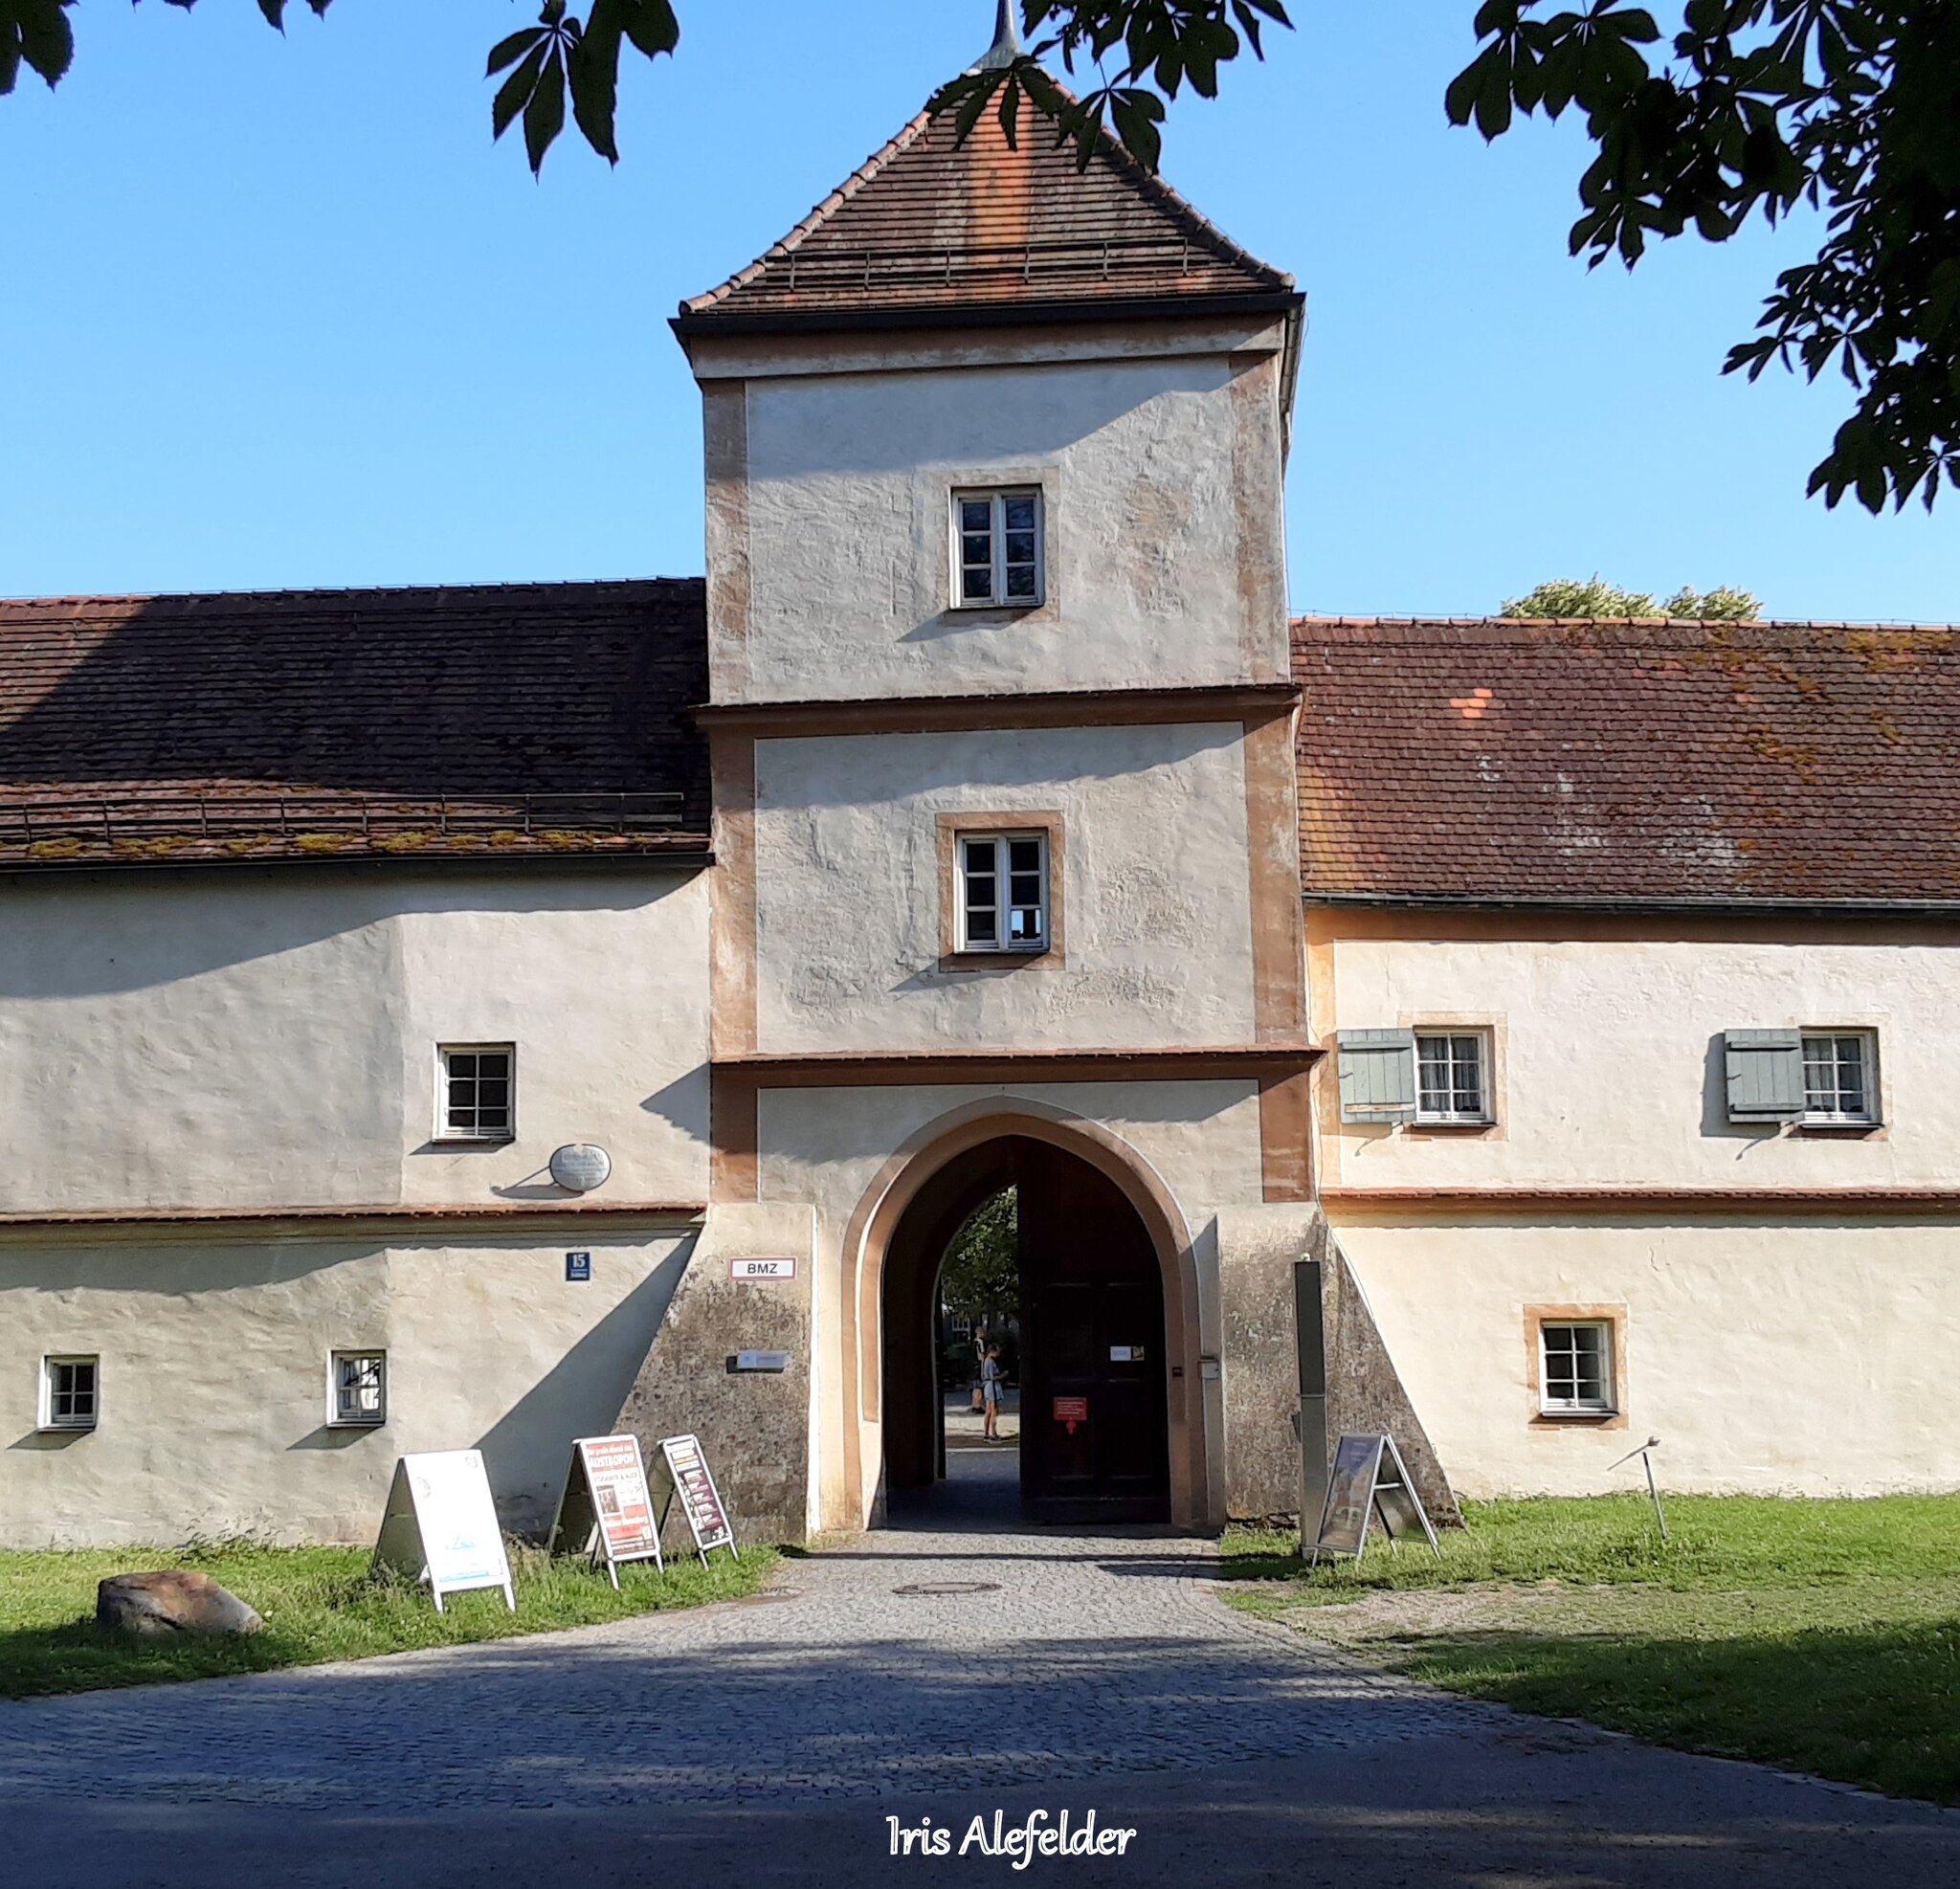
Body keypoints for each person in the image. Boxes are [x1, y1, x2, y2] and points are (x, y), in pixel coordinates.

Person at [980, 1345, 1004, 1442]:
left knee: (988, 1410)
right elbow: (992, 1377)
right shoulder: (991, 1362)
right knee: (994, 1410)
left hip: (987, 1386)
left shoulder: (985, 1361)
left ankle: (986, 1432)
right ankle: (994, 1432)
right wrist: (1003, 1375)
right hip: (992, 1386)